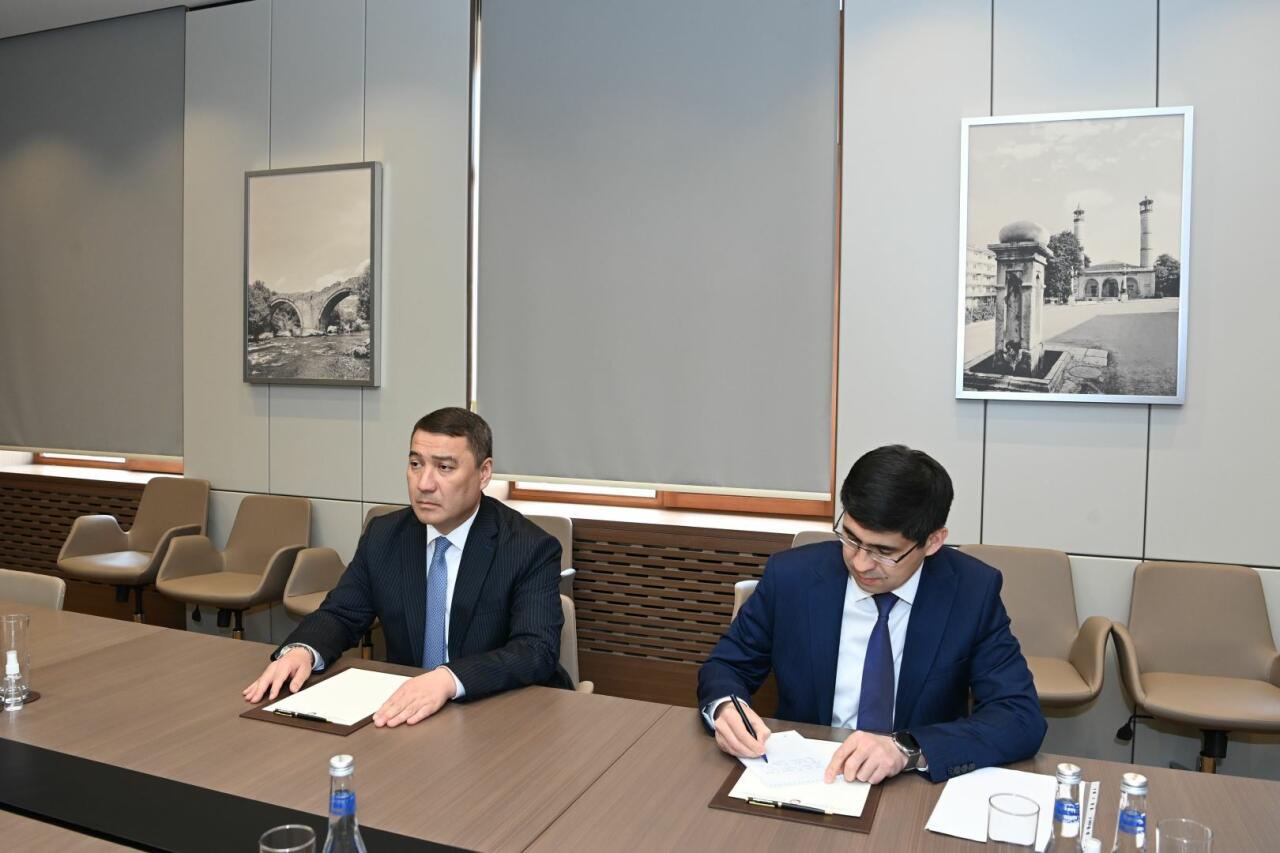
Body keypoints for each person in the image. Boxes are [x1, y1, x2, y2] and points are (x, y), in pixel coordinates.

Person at [698, 444, 1045, 784]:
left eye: (884, 551)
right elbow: (727, 665)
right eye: (851, 538)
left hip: (911, 783)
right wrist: (725, 708)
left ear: (933, 541)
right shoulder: (792, 577)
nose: (861, 563)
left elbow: (1019, 717)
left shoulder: (971, 592)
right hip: (807, 775)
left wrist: (907, 749)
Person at [244, 407, 571, 725]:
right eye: (416, 464)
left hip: (501, 713)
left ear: (483, 473)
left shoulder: (528, 547)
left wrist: (448, 679)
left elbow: (535, 649)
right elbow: (341, 613)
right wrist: (302, 650)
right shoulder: (385, 535)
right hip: (408, 714)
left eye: (444, 468)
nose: (424, 483)